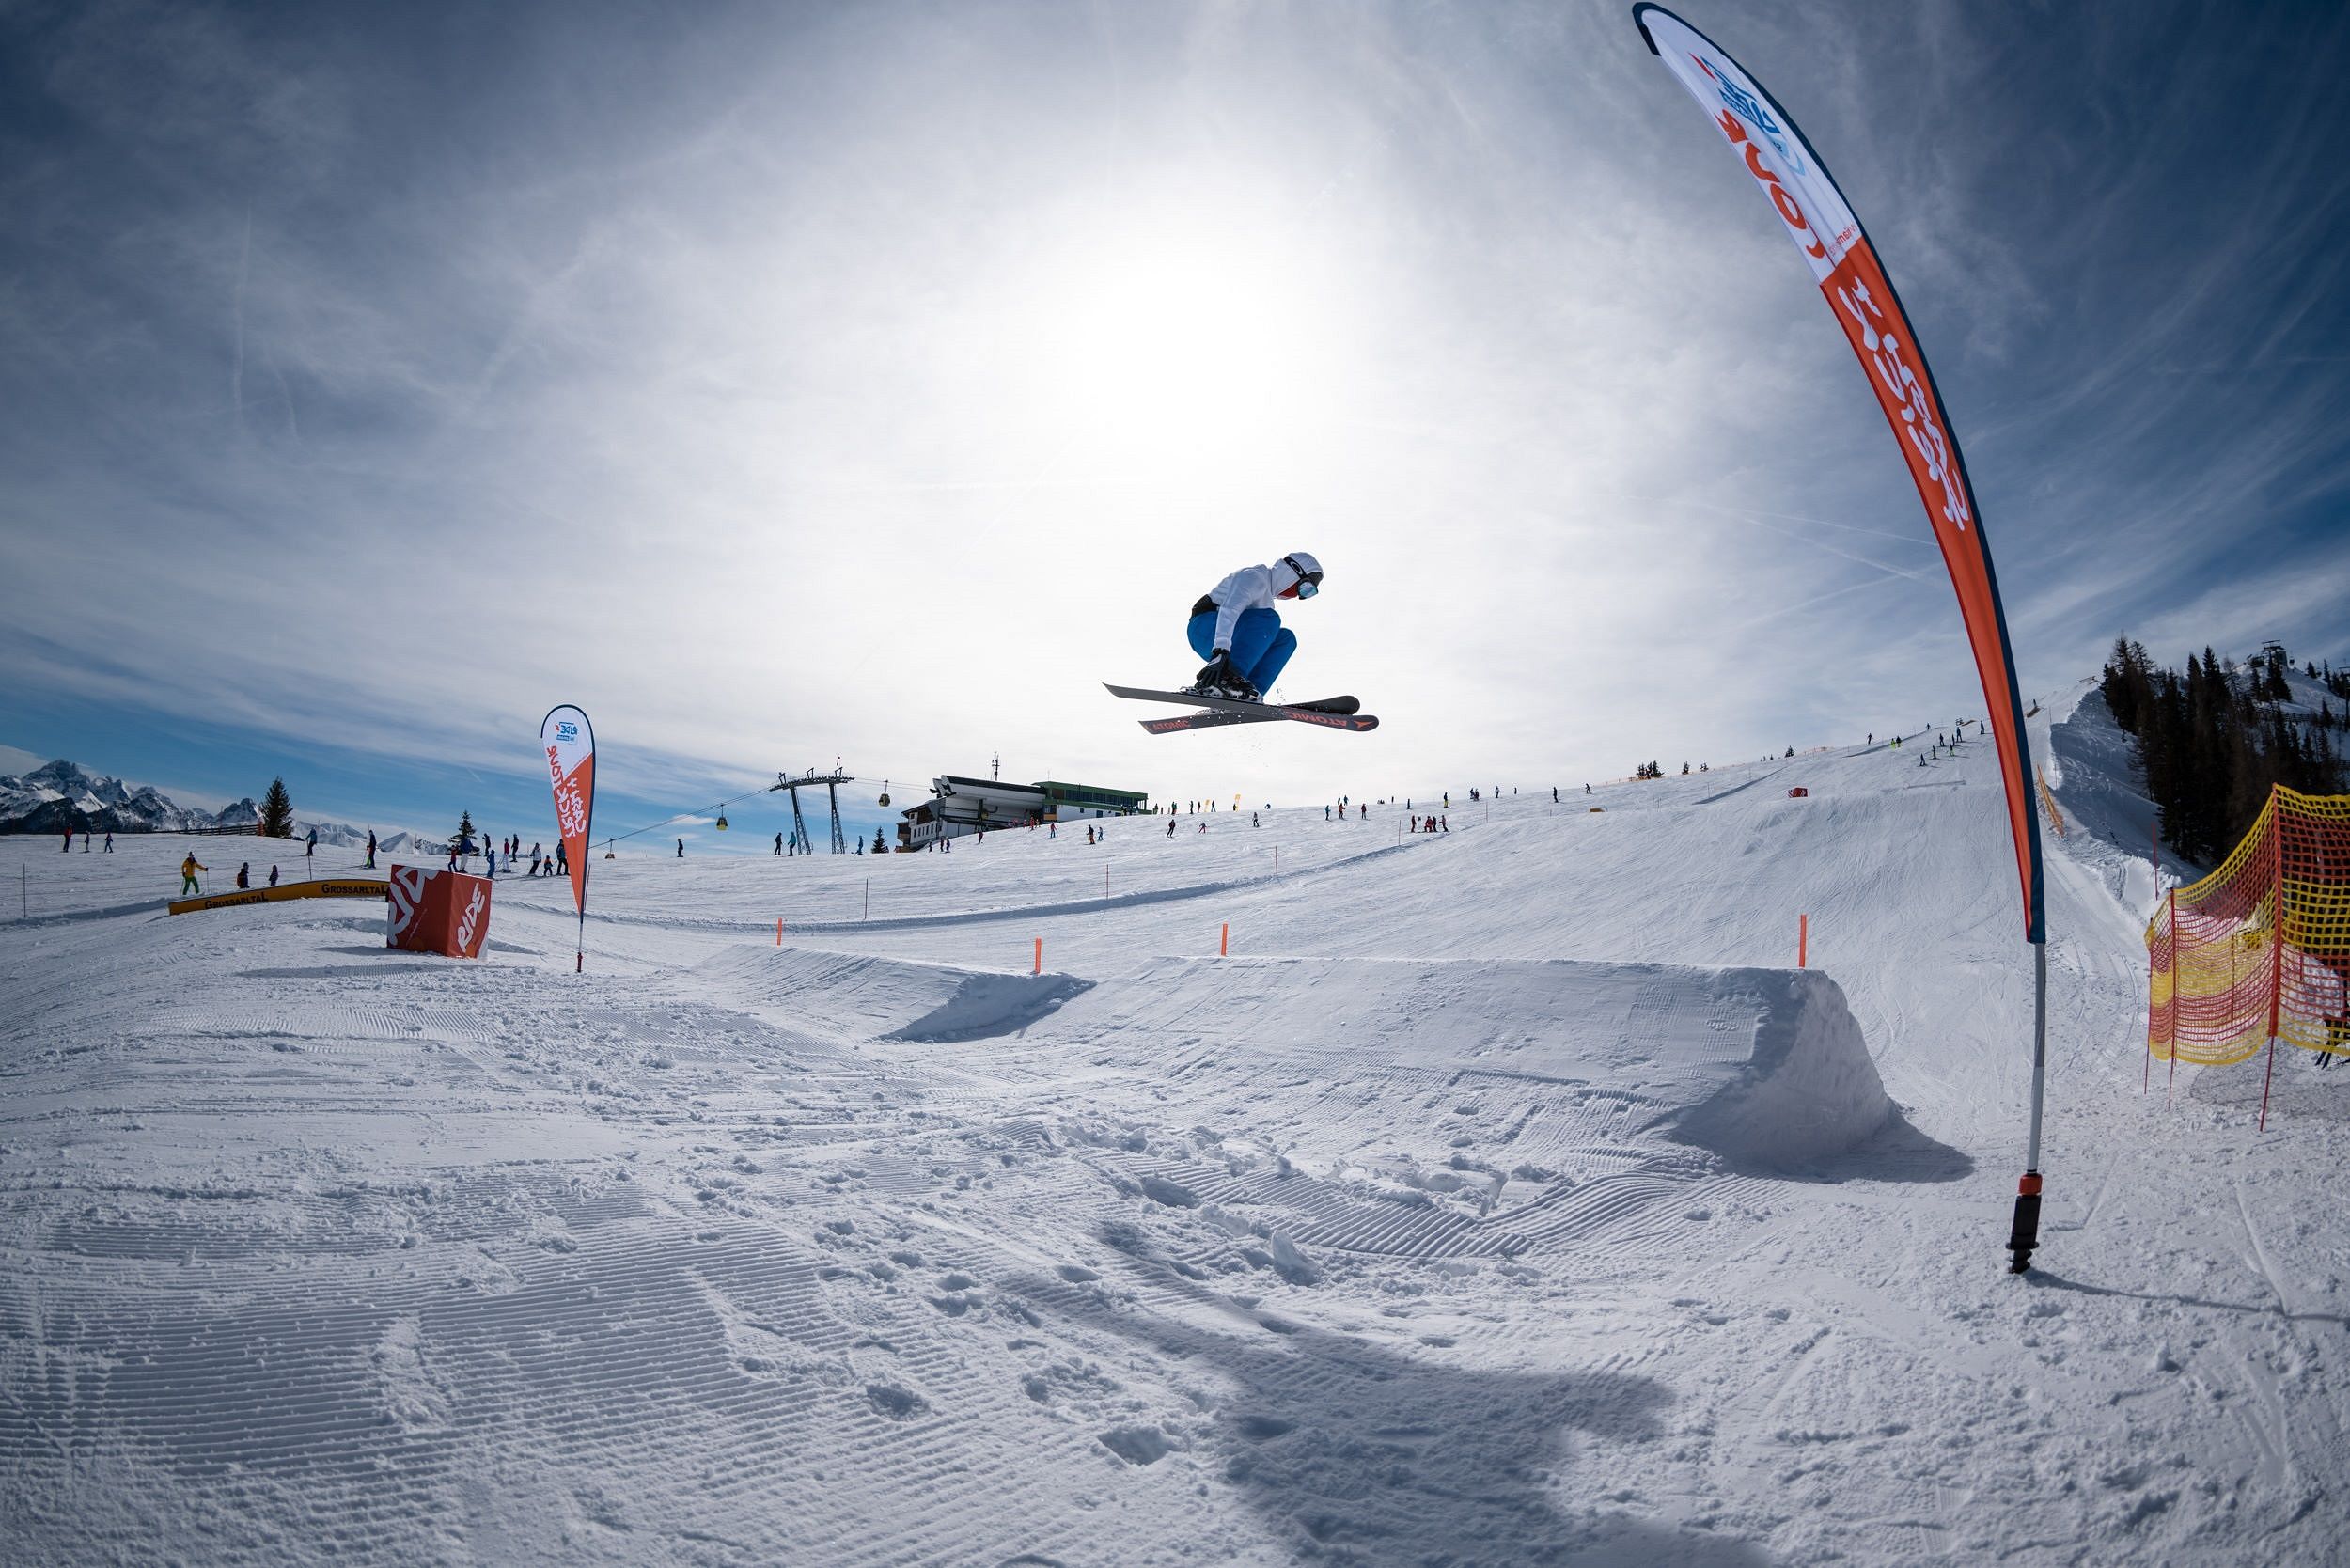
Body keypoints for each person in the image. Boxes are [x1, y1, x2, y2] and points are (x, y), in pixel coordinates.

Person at [1185, 552, 1324, 700]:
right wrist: (1221, 649)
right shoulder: (1253, 577)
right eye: (1304, 587)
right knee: (1271, 619)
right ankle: (1224, 682)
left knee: (1286, 639)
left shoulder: (1265, 601)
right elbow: (1229, 609)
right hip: (1206, 626)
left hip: (1228, 639)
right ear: (1293, 571)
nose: (1298, 595)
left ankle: (1245, 695)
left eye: (1306, 593)